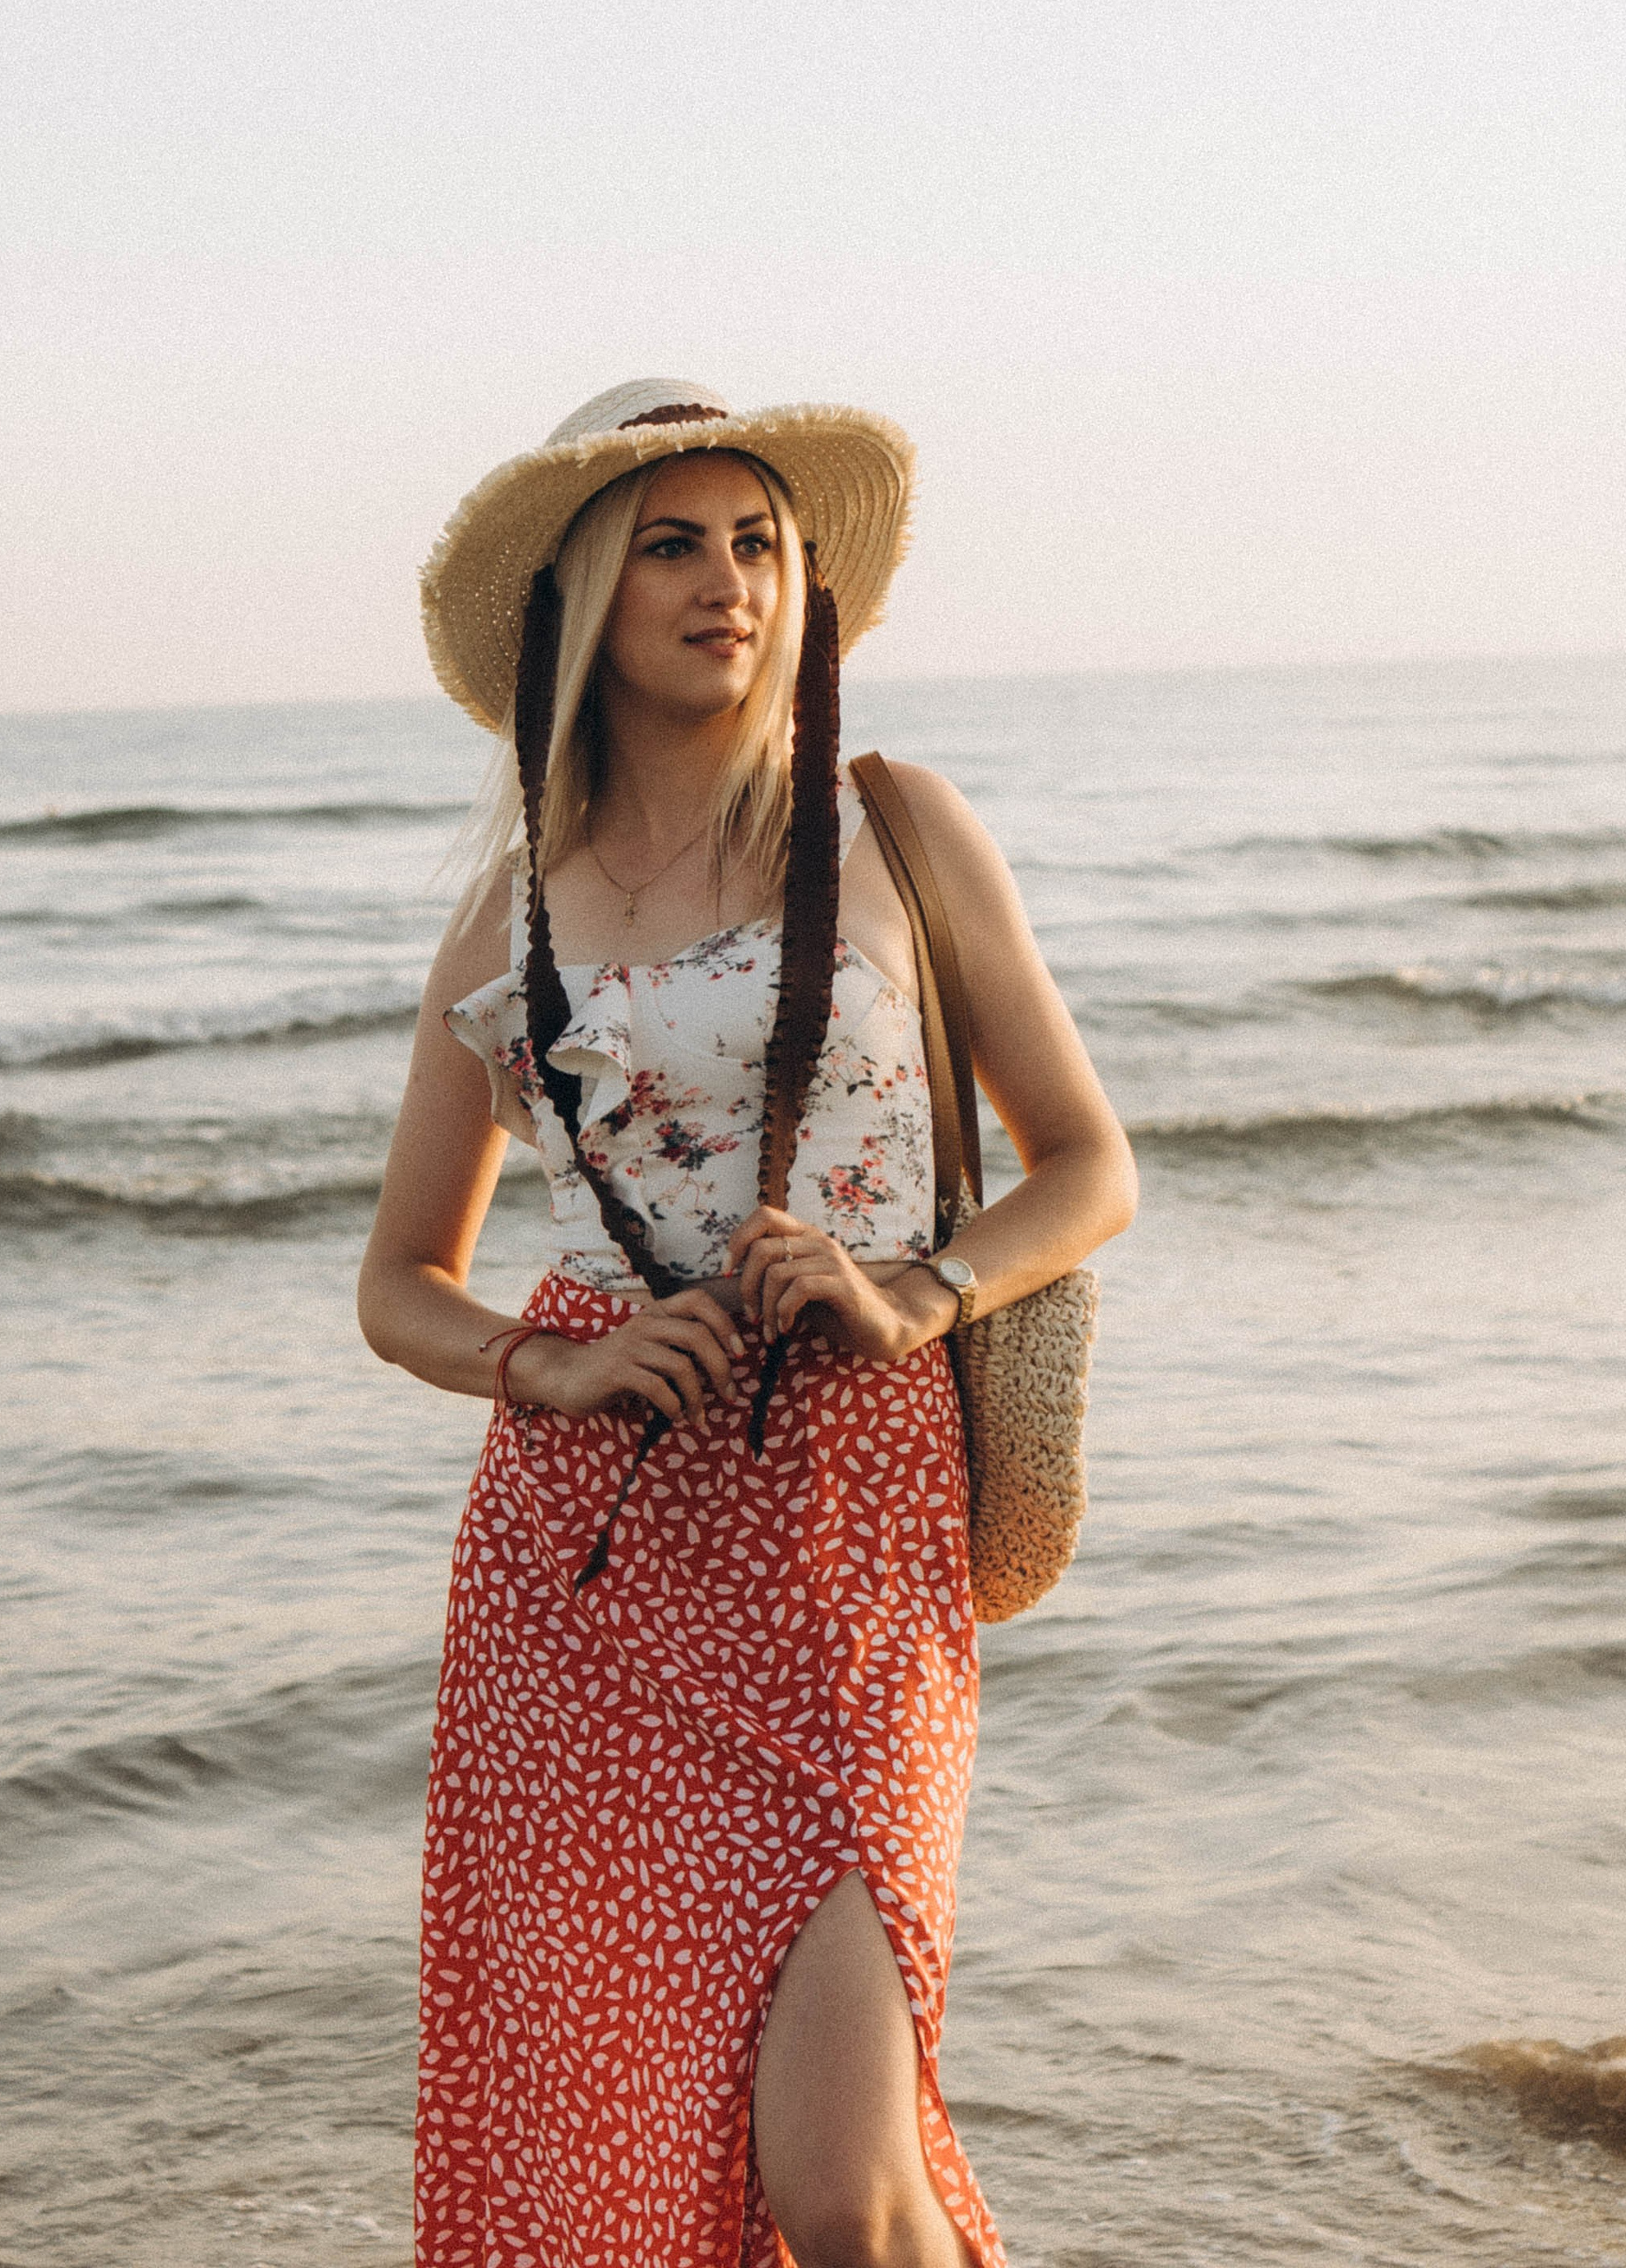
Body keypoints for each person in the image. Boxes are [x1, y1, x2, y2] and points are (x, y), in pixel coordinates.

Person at [359, 380, 1136, 2268]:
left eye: (759, 542)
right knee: (618, 2152)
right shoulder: (508, 916)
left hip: (853, 1522)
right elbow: (399, 1283)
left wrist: (916, 1290)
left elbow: (1085, 1164)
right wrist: (557, 1361)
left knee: (842, 2183)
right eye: (674, 545)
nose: (730, 584)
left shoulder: (893, 826)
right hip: (589, 1571)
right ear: (580, 603)